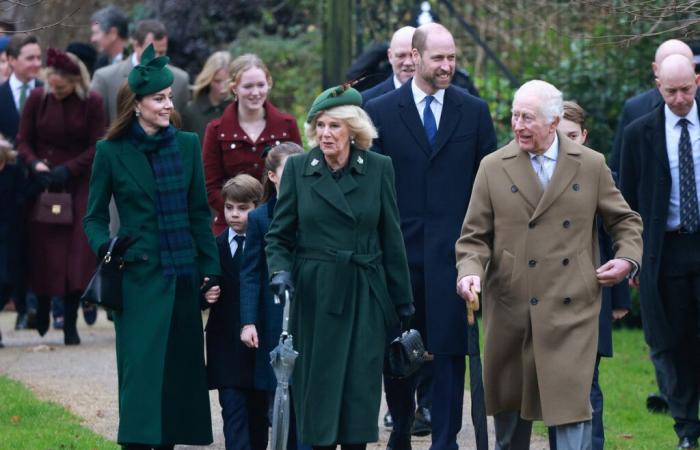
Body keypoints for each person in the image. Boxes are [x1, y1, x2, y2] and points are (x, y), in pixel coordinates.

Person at [455, 80, 642, 450]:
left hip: (572, 310)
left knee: (572, 412)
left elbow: (625, 221)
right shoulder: (493, 167)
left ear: (555, 121)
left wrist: (626, 259)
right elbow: (473, 238)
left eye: (528, 118)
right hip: (511, 309)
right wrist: (470, 272)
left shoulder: (590, 165)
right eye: (514, 116)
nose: (519, 125)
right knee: (510, 421)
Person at [364, 23, 497, 450]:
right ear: (415, 57)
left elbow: (487, 182)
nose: (447, 65)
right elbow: (374, 193)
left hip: (455, 256)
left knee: (450, 353)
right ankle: (401, 430)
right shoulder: (381, 111)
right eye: (438, 58)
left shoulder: (472, 111)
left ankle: (445, 440)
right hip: (399, 257)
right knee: (399, 352)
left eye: (452, 57)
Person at [83, 43, 220, 449]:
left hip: (181, 277)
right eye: (159, 98)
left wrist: (209, 268)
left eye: (168, 98)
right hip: (136, 278)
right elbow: (92, 216)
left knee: (178, 376)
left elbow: (199, 213)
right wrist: (106, 249)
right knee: (140, 374)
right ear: (136, 104)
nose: (168, 104)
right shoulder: (110, 151)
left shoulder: (187, 145)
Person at [265, 85, 414, 450]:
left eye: (334, 126)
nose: (325, 134)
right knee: (318, 384)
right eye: (319, 125)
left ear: (353, 130)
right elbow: (278, 236)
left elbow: (391, 238)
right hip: (315, 292)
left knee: (359, 384)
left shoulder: (379, 168)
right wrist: (280, 271)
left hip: (364, 289)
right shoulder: (299, 169)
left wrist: (402, 302)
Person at [619, 54, 700, 450]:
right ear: (658, 88)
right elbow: (628, 201)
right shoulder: (640, 133)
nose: (680, 99)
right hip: (664, 252)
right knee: (673, 340)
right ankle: (686, 427)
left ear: (697, 82)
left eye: (686, 89)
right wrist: (632, 254)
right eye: (671, 92)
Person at [546, 101, 631, 450]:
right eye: (559, 136)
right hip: (549, 293)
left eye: (572, 136)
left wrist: (619, 298)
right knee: (553, 382)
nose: (566, 144)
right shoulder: (540, 175)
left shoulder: (598, 171)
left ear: (583, 135)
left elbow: (615, 234)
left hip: (592, 289)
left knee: (587, 380)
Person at [16, 48, 105, 345]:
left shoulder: (91, 102)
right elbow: (23, 140)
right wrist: (34, 164)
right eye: (52, 81)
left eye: (63, 83)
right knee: (42, 251)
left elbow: (97, 145)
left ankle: (70, 318)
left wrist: (71, 168)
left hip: (77, 185)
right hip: (43, 185)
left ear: (75, 80)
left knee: (75, 255)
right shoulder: (37, 100)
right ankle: (41, 306)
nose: (57, 86)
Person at [239, 142, 305, 448]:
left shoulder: (315, 210)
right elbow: (250, 272)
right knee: (276, 392)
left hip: (310, 315)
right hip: (272, 317)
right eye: (288, 171)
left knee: (306, 392)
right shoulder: (260, 218)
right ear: (273, 176)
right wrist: (248, 321)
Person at [202, 54, 301, 235]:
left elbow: (297, 178)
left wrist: (265, 213)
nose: (256, 93)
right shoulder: (216, 130)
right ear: (234, 88)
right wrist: (238, 212)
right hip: (231, 226)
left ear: (268, 84)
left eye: (261, 85)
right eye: (248, 86)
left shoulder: (287, 125)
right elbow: (210, 186)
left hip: (277, 221)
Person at [204, 174, 267, 450]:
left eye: (243, 208)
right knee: (232, 413)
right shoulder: (213, 247)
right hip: (225, 345)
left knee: (258, 417)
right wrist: (204, 295)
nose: (234, 214)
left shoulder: (267, 245)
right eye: (229, 207)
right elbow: (200, 283)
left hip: (258, 346)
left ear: (257, 208)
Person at [91, 19, 190, 124]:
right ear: (136, 46)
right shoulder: (105, 78)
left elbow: (183, 125)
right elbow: (96, 127)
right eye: (153, 52)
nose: (158, 58)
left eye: (162, 52)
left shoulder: (180, 80)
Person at [0, 33, 42, 143]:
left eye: (38, 58)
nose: (37, 63)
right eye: (30, 58)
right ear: (12, 60)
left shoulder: (49, 93)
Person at [182, 50, 232, 142]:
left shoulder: (239, 110)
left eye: (227, 81)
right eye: (217, 81)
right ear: (209, 80)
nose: (223, 87)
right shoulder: (191, 112)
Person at [361, 26, 415, 106]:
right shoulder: (367, 101)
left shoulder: (438, 96)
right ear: (390, 56)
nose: (408, 62)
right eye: (401, 56)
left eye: (413, 55)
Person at [90, 5, 129, 72]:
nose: (92, 39)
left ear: (113, 33)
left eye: (96, 33)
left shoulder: (136, 60)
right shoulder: (100, 65)